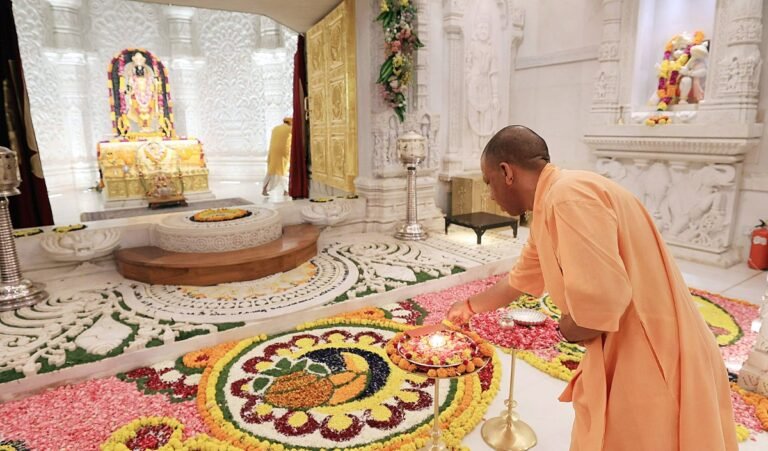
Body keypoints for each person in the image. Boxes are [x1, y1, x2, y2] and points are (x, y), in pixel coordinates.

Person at [447, 125, 738, 450]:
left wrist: (563, 329)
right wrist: (469, 307)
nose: (490, 194)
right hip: (640, 346)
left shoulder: (567, 198)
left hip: (652, 355)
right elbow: (520, 279)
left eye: (489, 182)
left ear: (507, 172)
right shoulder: (552, 201)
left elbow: (598, 311)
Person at [262, 117, 292, 196]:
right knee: (283, 171)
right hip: (282, 153)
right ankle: (286, 190)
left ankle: (264, 189)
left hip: (272, 152)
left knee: (270, 172)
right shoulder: (290, 129)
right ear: (290, 122)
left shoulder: (275, 128)